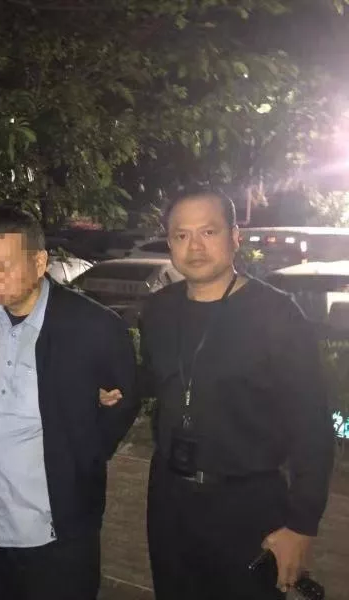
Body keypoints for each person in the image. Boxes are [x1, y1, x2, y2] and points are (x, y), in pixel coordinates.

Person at [139, 189, 334, 599]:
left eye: (208, 232)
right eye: (181, 235)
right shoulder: (158, 310)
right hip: (170, 498)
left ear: (235, 236)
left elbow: (312, 427)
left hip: (248, 503)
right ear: (169, 242)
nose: (195, 246)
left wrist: (301, 525)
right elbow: (158, 378)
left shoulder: (276, 315)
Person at [0, 206, 139, 600]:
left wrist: (82, 455)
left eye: (4, 266)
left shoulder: (93, 325)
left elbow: (124, 399)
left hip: (57, 520)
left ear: (40, 262)